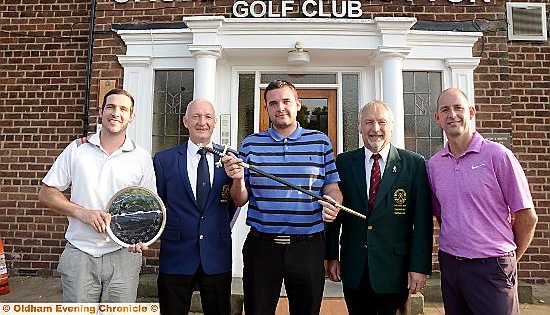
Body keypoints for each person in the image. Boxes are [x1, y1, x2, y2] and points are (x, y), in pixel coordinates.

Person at [222, 79, 342, 315]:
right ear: (266, 108)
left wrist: (333, 202)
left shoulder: (320, 142)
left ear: (298, 104)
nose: (281, 108)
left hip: (307, 246)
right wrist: (237, 179)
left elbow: (332, 187)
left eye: (286, 101)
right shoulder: (250, 144)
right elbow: (240, 199)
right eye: (273, 103)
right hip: (262, 246)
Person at [38, 88, 156, 303]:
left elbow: (148, 209)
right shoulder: (77, 149)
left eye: (123, 109)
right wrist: (82, 213)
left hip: (124, 255)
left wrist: (141, 238)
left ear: (131, 116)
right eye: (110, 107)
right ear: (100, 111)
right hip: (80, 252)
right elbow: (46, 193)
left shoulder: (141, 157)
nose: (116, 113)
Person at [427, 88, 538, 315]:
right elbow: (442, 214)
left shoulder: (498, 156)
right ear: (438, 118)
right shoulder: (434, 165)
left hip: (492, 266)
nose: (452, 115)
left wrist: (509, 258)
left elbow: (527, 216)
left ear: (471, 112)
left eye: (458, 108)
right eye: (445, 110)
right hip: (451, 266)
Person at [325, 100, 433, 315]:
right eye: (368, 122)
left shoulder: (413, 164)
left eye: (381, 122)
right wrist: (331, 255)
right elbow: (334, 215)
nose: (375, 129)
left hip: (396, 270)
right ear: (359, 126)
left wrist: (419, 267)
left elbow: (422, 222)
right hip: (355, 268)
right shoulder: (344, 163)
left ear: (391, 125)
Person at [153, 99, 237, 315]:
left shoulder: (230, 158)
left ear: (215, 122)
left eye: (208, 117)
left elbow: (233, 204)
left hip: (216, 254)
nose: (202, 122)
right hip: (176, 254)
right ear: (185, 121)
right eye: (196, 116)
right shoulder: (164, 160)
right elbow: (160, 203)